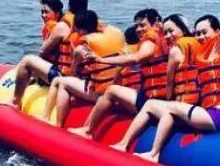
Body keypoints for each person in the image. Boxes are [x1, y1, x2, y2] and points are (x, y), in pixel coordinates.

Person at [111, 0, 220, 162]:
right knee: (170, 106)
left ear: (217, 32)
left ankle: (152, 153)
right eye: (197, 33)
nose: (200, 37)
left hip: (218, 117)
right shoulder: (216, 56)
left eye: (204, 32)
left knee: (163, 106)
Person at [69, 8, 167, 138]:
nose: (138, 29)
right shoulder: (166, 39)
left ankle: (87, 130)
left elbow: (136, 58)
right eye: (137, 26)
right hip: (161, 98)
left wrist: (100, 59)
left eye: (142, 25)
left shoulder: (150, 41)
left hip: (150, 101)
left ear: (155, 23)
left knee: (111, 90)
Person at [11, 0, 88, 109]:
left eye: (46, 12)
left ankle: (15, 102)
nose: (43, 15)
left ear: (69, 7)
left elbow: (42, 52)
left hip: (63, 76)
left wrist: (34, 74)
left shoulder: (60, 27)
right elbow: (48, 3)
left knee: (27, 60)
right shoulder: (86, 22)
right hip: (84, 78)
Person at [44, 10, 125, 126]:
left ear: (81, 30)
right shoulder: (115, 35)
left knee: (61, 82)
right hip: (119, 89)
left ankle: (57, 123)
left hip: (101, 94)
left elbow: (73, 72)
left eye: (76, 29)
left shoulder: (82, 49)